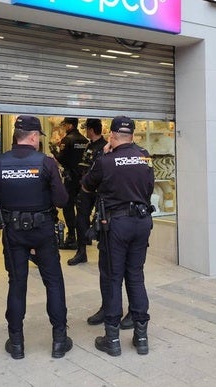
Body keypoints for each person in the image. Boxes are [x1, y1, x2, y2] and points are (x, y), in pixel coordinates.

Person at [0, 115, 72, 360]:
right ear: (34, 136)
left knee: (17, 283)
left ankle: (17, 342)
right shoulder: (46, 163)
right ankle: (59, 341)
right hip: (43, 231)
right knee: (53, 282)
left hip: (14, 234)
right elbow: (62, 201)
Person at [82, 116, 155, 357]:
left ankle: (112, 338)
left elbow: (86, 185)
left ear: (112, 135)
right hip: (142, 222)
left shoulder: (106, 160)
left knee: (113, 277)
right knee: (135, 275)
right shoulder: (145, 156)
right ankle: (141, 337)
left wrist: (102, 155)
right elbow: (149, 187)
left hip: (117, 224)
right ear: (132, 135)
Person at [68, 118, 107, 266]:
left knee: (102, 220)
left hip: (100, 190)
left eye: (87, 129)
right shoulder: (89, 145)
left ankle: (105, 253)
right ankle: (81, 252)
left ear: (91, 130)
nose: (85, 131)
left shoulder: (104, 147)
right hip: (86, 189)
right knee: (81, 220)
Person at [52, 117, 88, 249]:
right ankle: (84, 235)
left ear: (70, 125)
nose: (64, 127)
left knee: (68, 206)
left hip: (70, 177)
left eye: (65, 125)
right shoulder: (85, 140)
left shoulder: (67, 140)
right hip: (82, 177)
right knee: (82, 207)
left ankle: (72, 235)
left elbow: (62, 159)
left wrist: (54, 151)